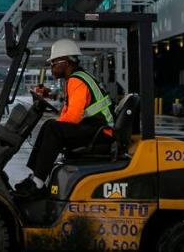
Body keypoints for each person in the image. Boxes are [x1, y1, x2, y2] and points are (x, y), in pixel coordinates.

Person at [14, 39, 114, 196]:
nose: (51, 67)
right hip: (97, 128)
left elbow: (73, 117)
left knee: (52, 128)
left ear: (66, 63)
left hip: (101, 132)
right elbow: (72, 109)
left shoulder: (76, 81)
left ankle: (38, 182)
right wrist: (49, 96)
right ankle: (36, 176)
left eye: (54, 63)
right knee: (50, 126)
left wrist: (56, 125)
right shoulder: (77, 78)